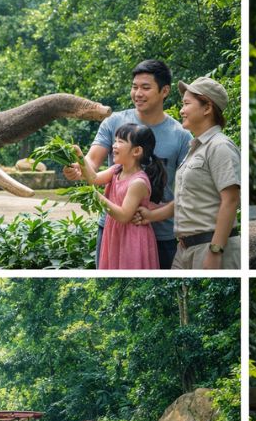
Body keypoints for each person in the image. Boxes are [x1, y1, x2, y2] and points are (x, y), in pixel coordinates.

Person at [64, 59, 191, 269]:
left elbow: (189, 193)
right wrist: (78, 167)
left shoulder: (181, 136)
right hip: (112, 230)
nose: (138, 93)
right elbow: (92, 162)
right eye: (134, 87)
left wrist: (152, 216)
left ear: (165, 91)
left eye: (145, 87)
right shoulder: (114, 122)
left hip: (161, 236)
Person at [135, 77, 240, 269]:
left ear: (207, 108)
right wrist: (151, 215)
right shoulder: (195, 147)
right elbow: (186, 199)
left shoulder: (220, 146)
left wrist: (216, 250)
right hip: (184, 250)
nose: (181, 110)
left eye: (186, 104)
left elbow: (231, 200)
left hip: (209, 247)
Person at [71, 123, 165, 269]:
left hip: (132, 237)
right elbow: (93, 178)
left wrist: (96, 196)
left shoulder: (138, 182)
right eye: (115, 141)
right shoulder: (116, 170)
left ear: (136, 151)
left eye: (120, 141)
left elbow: (123, 216)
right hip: (115, 232)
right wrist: (79, 156)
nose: (114, 145)